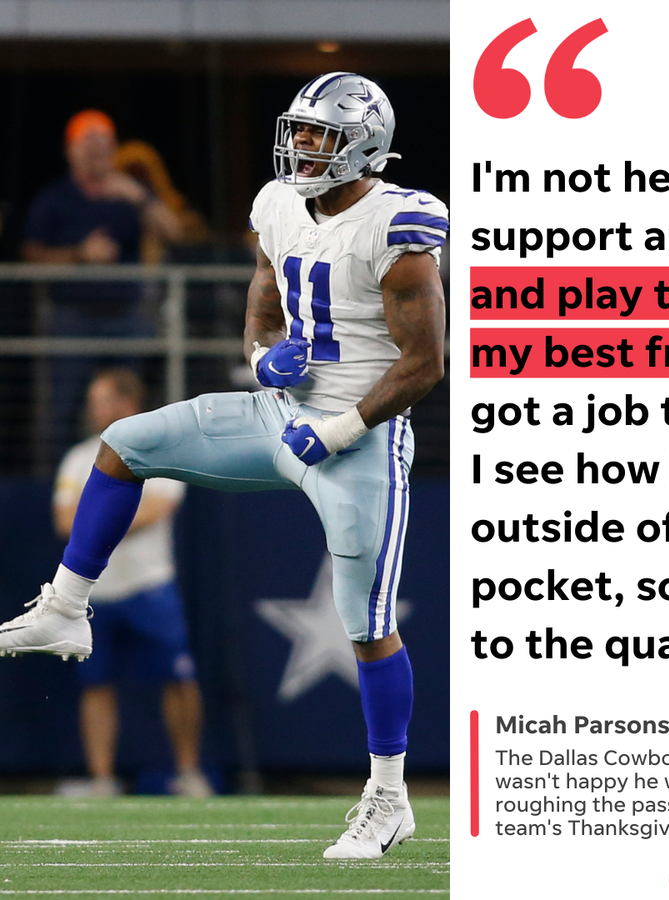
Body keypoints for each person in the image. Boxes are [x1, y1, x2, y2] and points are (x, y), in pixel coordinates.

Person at [0, 73, 447, 858]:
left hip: (361, 438)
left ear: (364, 142)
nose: (303, 147)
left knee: (367, 625)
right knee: (126, 444)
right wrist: (260, 353)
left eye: (320, 136)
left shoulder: (396, 226)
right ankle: (66, 606)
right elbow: (264, 289)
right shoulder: (279, 204)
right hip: (279, 414)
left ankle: (387, 795)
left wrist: (339, 430)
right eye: (299, 132)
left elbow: (426, 364)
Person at [52, 369, 213, 798]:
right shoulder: (76, 458)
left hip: (150, 587)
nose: (93, 409)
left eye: (101, 399)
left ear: (126, 404)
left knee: (179, 678)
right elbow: (64, 521)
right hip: (95, 595)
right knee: (95, 686)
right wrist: (114, 519)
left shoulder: (161, 451)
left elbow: (159, 507)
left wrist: (97, 522)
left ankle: (189, 773)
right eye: (91, 400)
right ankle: (102, 779)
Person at [22, 110, 183, 464]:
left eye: (103, 145)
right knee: (63, 408)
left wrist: (138, 196)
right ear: (71, 150)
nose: (96, 152)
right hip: (71, 319)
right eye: (88, 144)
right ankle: (57, 483)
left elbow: (175, 232)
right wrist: (80, 254)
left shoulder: (129, 191)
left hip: (126, 316)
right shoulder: (55, 197)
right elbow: (31, 254)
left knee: (128, 406)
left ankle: (127, 474)